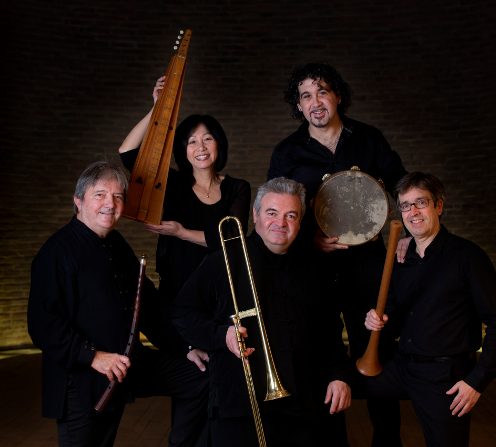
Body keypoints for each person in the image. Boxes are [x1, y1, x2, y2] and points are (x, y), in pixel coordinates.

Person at [267, 61, 407, 445]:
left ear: (338, 95)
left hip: (367, 267)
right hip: (312, 269)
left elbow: (402, 184)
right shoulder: (287, 152)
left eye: (322, 92)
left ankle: (388, 442)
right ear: (298, 105)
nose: (315, 102)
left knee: (376, 352)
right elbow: (275, 212)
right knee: (317, 355)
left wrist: (409, 233)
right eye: (306, 96)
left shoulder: (369, 138)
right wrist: (308, 242)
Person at [27, 161, 209, 447]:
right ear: (78, 201)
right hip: (83, 377)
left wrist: (185, 347)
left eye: (118, 196)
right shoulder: (56, 252)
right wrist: (94, 357)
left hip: (128, 362)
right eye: (100, 194)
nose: (110, 204)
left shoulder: (116, 243)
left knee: (200, 377)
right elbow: (43, 323)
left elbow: (148, 305)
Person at [171, 177, 352, 447]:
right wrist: (222, 336)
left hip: (303, 406)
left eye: (291, 215)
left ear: (300, 222)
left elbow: (330, 332)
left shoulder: (315, 269)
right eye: (272, 213)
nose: (281, 223)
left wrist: (339, 375)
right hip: (238, 406)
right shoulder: (224, 259)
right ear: (255, 215)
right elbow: (182, 312)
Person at [362, 172, 496, 447]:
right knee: (338, 384)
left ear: (439, 206)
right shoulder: (401, 259)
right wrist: (377, 320)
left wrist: (477, 381)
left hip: (445, 376)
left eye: (421, 202)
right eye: (405, 205)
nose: (413, 212)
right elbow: (393, 317)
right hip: (402, 367)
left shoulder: (468, 256)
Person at [119, 77, 251, 359]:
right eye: (192, 141)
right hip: (179, 294)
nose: (201, 147)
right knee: (189, 372)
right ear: (183, 150)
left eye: (207, 139)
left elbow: (232, 239)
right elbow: (128, 154)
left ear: (219, 144)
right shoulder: (172, 184)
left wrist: (181, 232)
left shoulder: (238, 188)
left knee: (226, 365)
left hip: (223, 294)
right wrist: (157, 109)